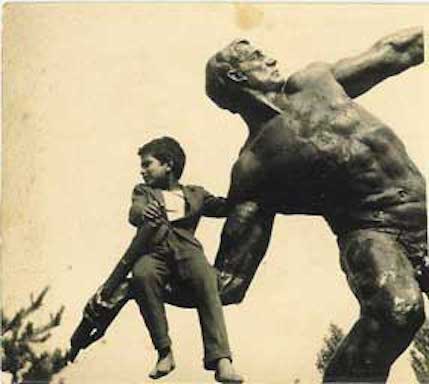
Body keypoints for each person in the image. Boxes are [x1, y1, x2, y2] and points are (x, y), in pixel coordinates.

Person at [205, 27, 427, 383]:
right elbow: (229, 281)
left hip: (423, 215)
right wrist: (149, 275)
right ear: (236, 75)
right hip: (372, 232)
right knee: (398, 309)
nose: (272, 59)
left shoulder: (315, 82)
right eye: (257, 57)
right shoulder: (254, 166)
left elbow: (397, 50)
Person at [128, 136, 243, 383]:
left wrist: (248, 186)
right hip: (155, 251)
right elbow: (135, 211)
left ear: (168, 165)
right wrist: (142, 213)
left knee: (206, 277)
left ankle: (221, 359)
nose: (142, 170)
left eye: (148, 164)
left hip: (187, 251)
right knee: (142, 274)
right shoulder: (144, 191)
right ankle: (164, 351)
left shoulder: (196, 194)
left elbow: (225, 207)